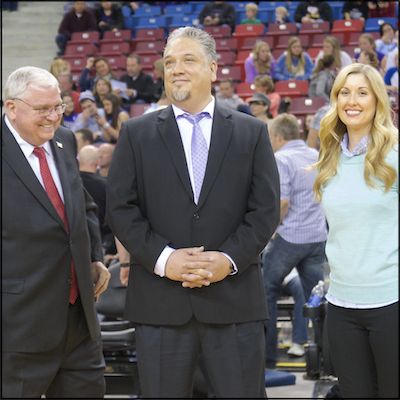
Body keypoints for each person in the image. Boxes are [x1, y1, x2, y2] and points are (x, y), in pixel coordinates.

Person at [106, 26, 280, 398]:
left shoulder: (252, 132)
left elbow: (264, 212)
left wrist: (227, 259)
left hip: (234, 303)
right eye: (169, 62)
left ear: (214, 69)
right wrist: (165, 259)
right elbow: (121, 209)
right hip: (160, 307)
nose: (177, 69)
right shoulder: (136, 133)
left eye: (188, 60)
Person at [2, 66, 111, 398]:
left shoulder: (64, 139)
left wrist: (93, 257)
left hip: (79, 323)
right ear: (11, 107)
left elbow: (83, 205)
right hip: (18, 329)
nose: (53, 117)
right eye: (42, 110)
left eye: (58, 107)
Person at [312, 63, 398, 398]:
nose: (353, 100)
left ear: (377, 100)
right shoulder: (328, 161)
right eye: (344, 92)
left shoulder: (394, 157)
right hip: (342, 306)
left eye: (362, 92)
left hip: (390, 301)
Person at [263, 112, 327, 369]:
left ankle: (266, 359)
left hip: (291, 236)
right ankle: (326, 358)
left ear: (278, 136)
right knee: (319, 299)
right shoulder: (315, 155)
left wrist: (270, 230)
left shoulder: (281, 158)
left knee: (265, 290)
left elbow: (283, 201)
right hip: (317, 237)